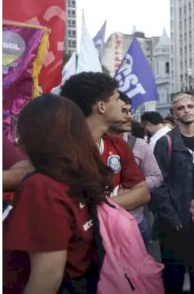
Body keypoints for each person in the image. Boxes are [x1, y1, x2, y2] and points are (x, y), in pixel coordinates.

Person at [4, 95, 114, 294]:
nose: (17, 140)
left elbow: (46, 277)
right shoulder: (76, 176)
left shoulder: (41, 187)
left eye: (20, 128)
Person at [60, 72, 149, 211]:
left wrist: (99, 206)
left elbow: (143, 192)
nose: (123, 104)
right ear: (102, 106)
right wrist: (121, 199)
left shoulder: (117, 144)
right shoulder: (61, 149)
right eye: (117, 99)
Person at [152, 93, 194, 294]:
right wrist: (173, 219)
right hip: (174, 226)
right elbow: (159, 186)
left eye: (190, 106)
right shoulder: (165, 143)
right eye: (180, 108)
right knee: (173, 280)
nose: (186, 110)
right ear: (174, 114)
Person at [108, 92, 162, 243]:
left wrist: (136, 188)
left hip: (135, 220)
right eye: (123, 111)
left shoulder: (138, 144)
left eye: (130, 111)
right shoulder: (92, 145)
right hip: (105, 223)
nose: (129, 116)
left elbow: (156, 177)